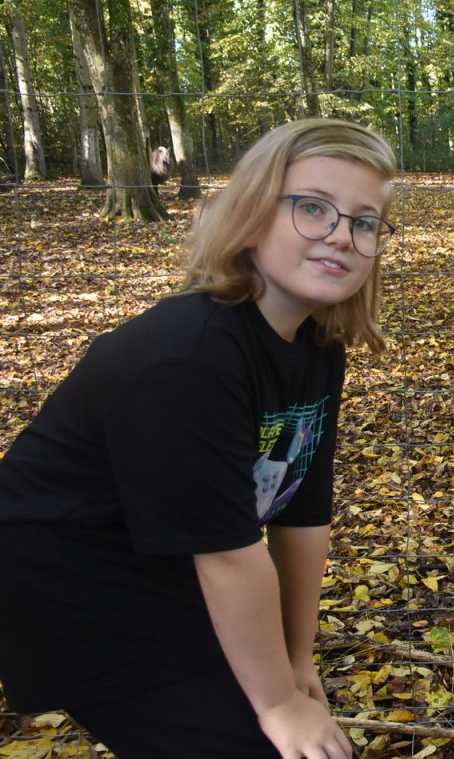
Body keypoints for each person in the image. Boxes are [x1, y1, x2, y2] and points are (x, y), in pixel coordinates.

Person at [0, 118, 398, 759]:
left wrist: (298, 662)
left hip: (167, 553)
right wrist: (276, 704)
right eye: (313, 208)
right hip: (69, 575)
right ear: (251, 214)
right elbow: (228, 555)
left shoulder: (318, 346)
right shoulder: (190, 359)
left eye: (365, 221)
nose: (341, 235)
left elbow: (301, 511)